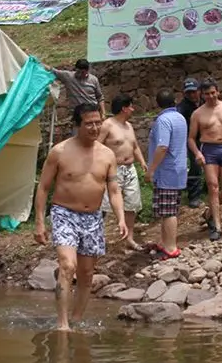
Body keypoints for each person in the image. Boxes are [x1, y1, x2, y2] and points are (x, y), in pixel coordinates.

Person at [34, 103, 128, 331]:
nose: (95, 127)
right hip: (64, 213)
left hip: (93, 217)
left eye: (98, 122)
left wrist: (121, 218)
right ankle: (62, 324)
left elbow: (114, 190)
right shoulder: (59, 151)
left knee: (86, 274)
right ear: (78, 125)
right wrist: (39, 222)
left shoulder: (107, 155)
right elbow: (44, 187)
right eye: (89, 123)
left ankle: (75, 320)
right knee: (67, 265)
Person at [187, 78, 222, 241]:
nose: (211, 96)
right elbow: (191, 138)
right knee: (213, 186)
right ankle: (217, 226)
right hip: (209, 149)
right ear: (202, 95)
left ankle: (208, 212)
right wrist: (198, 153)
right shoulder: (198, 113)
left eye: (213, 93)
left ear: (218, 91)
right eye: (207, 94)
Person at [98, 93, 147, 251]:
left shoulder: (129, 126)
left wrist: (143, 162)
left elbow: (135, 146)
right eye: (131, 106)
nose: (133, 109)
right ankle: (98, 239)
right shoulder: (107, 125)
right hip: (113, 168)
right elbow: (97, 146)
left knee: (132, 204)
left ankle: (130, 238)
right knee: (104, 205)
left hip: (130, 168)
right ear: (124, 108)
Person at [145, 89, 189, 260]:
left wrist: (151, 169)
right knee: (168, 209)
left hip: (166, 171)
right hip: (178, 169)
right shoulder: (180, 118)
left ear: (157, 104)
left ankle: (171, 247)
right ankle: (164, 242)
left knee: (169, 211)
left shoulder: (163, 120)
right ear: (175, 101)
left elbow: (163, 147)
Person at [44, 59, 105, 134]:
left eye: (83, 72)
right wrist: (36, 62)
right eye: (78, 71)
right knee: (77, 136)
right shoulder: (68, 76)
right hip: (78, 114)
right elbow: (52, 70)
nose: (80, 74)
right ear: (76, 69)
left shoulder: (93, 80)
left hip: (92, 112)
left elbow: (100, 97)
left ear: (87, 71)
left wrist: (103, 113)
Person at [176, 77, 204, 208]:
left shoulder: (205, 102)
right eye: (189, 93)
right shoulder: (182, 108)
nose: (192, 95)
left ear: (199, 91)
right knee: (195, 167)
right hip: (191, 141)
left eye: (194, 91)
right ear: (184, 93)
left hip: (207, 139)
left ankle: (209, 190)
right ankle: (194, 197)